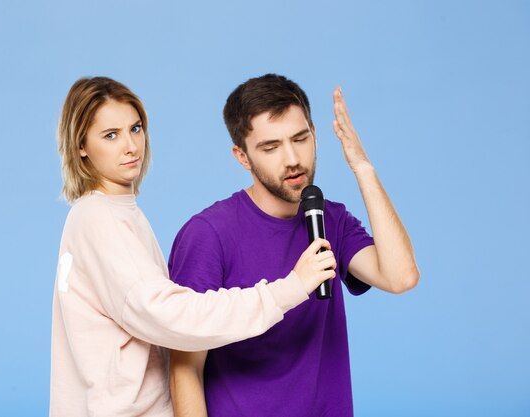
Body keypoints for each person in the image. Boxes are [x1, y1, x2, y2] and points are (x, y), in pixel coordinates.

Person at [49, 76, 337, 417]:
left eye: (136, 128)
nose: (131, 146)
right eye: (111, 135)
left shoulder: (114, 215)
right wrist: (290, 288)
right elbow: (173, 318)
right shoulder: (99, 220)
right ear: (80, 145)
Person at [168, 74, 420, 417]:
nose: (292, 159)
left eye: (300, 139)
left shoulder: (331, 220)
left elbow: (400, 276)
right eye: (271, 147)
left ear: (315, 135)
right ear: (242, 156)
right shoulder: (208, 234)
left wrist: (362, 167)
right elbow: (185, 365)